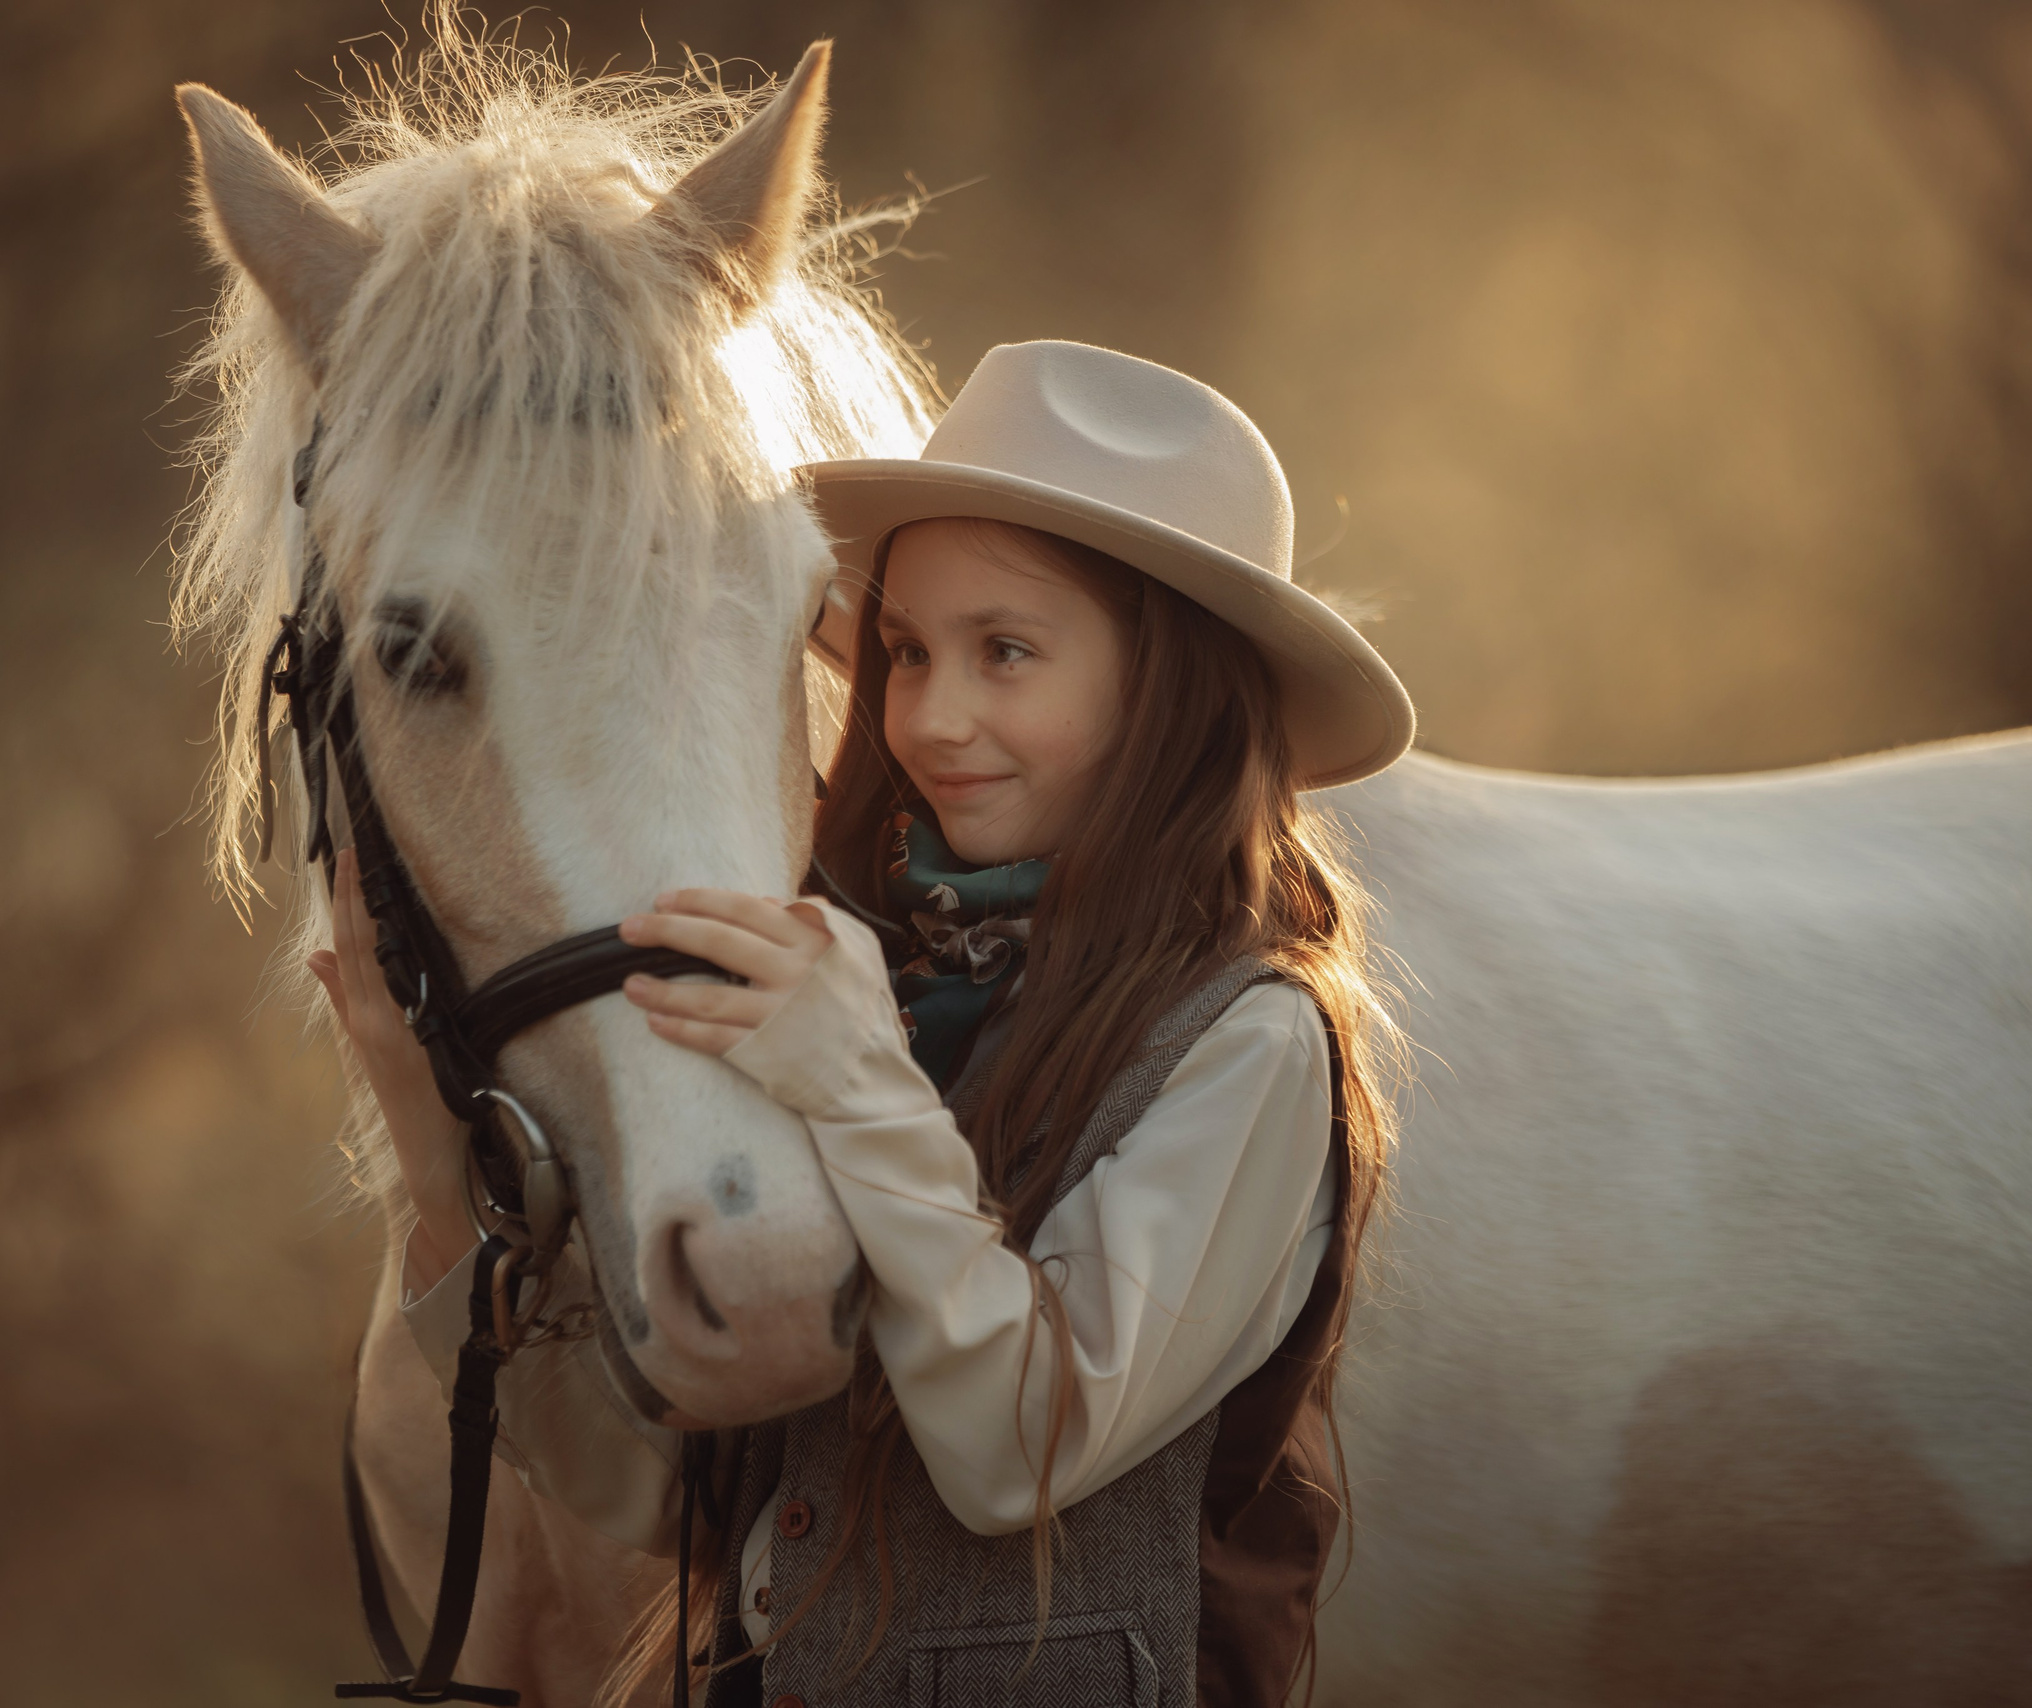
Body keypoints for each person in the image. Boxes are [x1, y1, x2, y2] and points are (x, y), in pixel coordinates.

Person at [314, 340, 1413, 1707]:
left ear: (1171, 693)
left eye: (1005, 652)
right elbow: (680, 1504)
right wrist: (436, 1171)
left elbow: (1016, 1454)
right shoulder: (877, 982)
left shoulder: (1250, 1044)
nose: (931, 717)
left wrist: (857, 1087)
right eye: (905, 652)